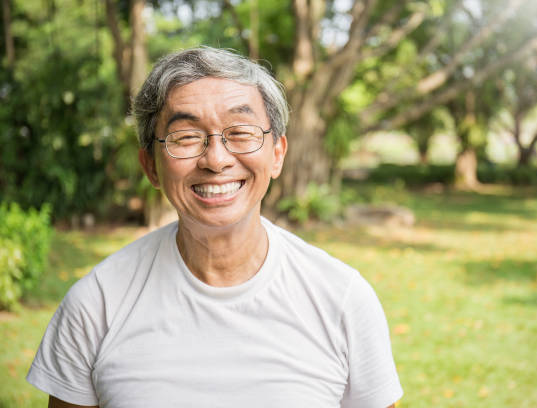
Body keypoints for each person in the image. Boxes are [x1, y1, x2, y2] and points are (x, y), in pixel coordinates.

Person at [27, 46, 403, 408]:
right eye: (186, 137)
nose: (216, 159)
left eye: (241, 131)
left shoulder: (342, 300)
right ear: (151, 166)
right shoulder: (96, 305)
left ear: (277, 154)